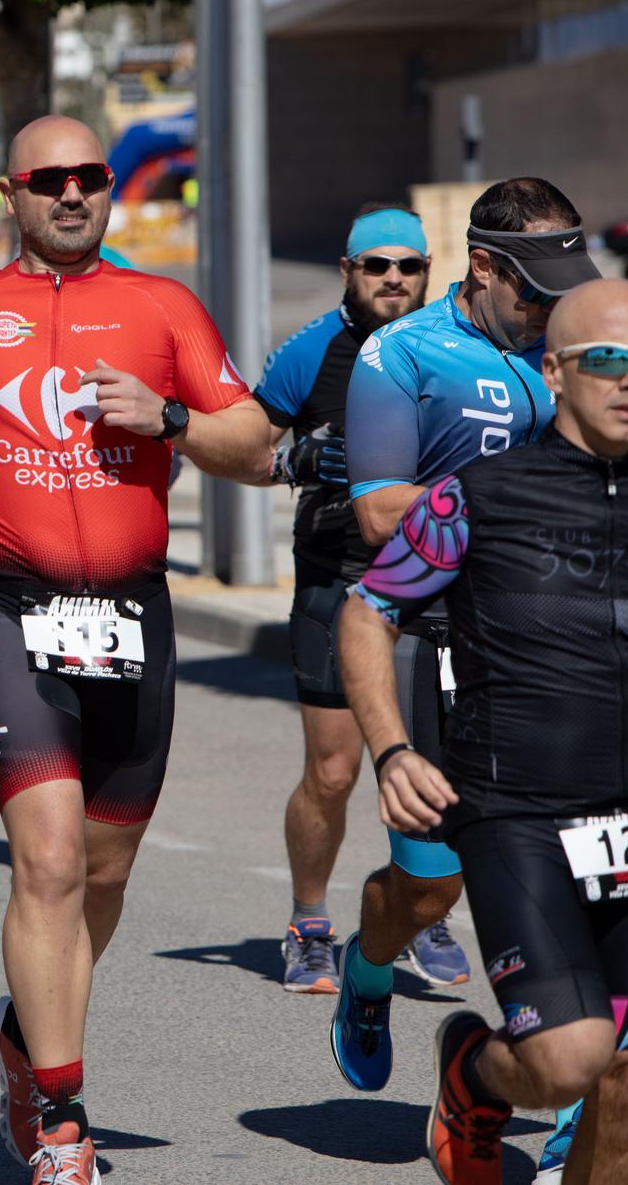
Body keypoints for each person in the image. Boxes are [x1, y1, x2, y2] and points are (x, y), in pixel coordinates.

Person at [0, 116, 269, 1182]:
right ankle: (62, 1118)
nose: (73, 194)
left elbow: (255, 448)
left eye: (89, 177)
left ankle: (23, 1039)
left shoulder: (160, 306)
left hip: (131, 611)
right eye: (50, 180)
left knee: (101, 869)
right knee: (43, 861)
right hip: (6, 605)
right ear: (11, 193)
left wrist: (166, 415)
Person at [339, 279, 628, 1185]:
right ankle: (474, 1071)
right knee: (569, 1061)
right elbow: (369, 610)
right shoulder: (478, 498)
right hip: (517, 815)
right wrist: (393, 748)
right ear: (555, 372)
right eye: (607, 360)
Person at [240, 205, 429, 992]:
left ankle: (421, 907)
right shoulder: (312, 350)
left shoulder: (452, 345)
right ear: (348, 270)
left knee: (435, 762)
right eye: (376, 264)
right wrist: (294, 461)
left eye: (408, 266)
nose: (392, 278)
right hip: (335, 576)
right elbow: (244, 446)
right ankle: (309, 921)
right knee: (333, 767)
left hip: (433, 581)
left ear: (428, 273)